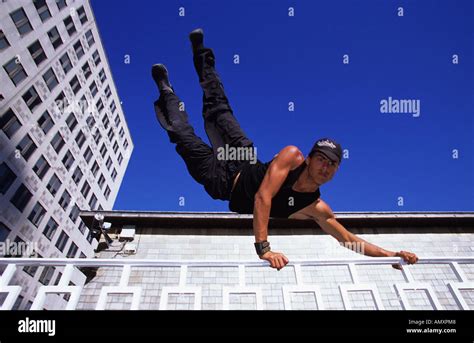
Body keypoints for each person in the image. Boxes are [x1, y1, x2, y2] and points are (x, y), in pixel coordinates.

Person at [152, 28, 419, 270]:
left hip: (221, 183)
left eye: (331, 164)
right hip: (242, 158)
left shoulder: (316, 207)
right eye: (321, 159)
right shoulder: (292, 156)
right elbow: (262, 197)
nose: (324, 167)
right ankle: (201, 55)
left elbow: (348, 240)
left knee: (182, 136)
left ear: (336, 170)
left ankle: (167, 92)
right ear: (309, 159)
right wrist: (264, 249)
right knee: (217, 108)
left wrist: (391, 255)